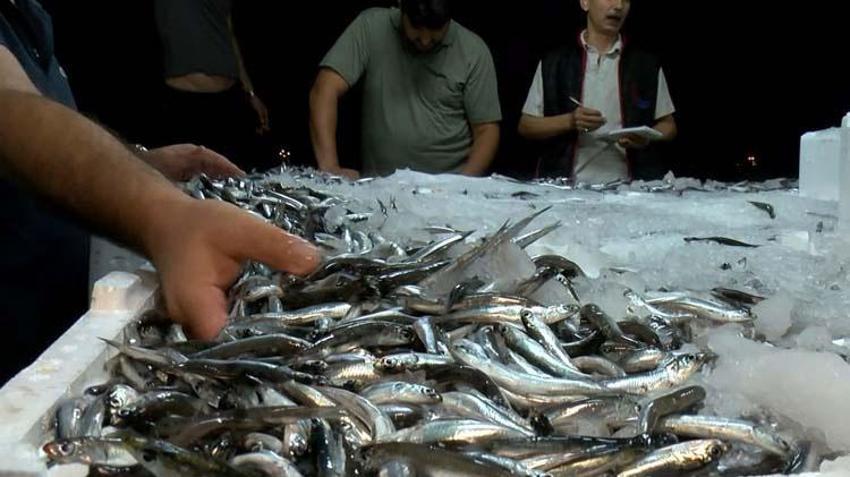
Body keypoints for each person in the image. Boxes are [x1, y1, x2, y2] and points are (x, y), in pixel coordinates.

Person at [0, 0, 285, 382]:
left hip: (63, 340)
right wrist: (167, 216)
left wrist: (142, 162)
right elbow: (12, 111)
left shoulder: (27, 16)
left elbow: (50, 121)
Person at [310, 0, 502, 179]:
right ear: (402, 9)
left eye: (436, 30)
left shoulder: (473, 51)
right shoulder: (371, 27)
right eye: (416, 27)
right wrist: (329, 166)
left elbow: (486, 130)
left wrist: (461, 186)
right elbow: (324, 89)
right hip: (380, 190)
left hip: (447, 192)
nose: (425, 39)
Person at [518, 0, 677, 182]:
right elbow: (526, 125)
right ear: (585, 3)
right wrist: (569, 121)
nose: (618, 6)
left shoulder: (645, 64)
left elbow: (669, 125)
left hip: (631, 189)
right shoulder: (555, 62)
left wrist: (646, 137)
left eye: (625, 0)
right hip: (565, 188)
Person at [154, 0, 272, 171]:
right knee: (183, 182)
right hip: (183, 100)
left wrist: (250, 92)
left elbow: (228, 33)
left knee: (236, 177)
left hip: (229, 96)